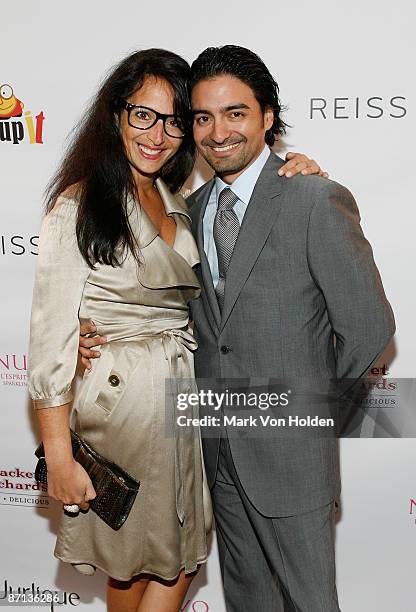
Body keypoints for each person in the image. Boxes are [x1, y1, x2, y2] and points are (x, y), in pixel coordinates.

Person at [81, 45, 395, 611]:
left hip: (291, 461)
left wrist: (309, 421)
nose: (218, 131)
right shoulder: (188, 211)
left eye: (236, 113)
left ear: (268, 117)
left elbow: (369, 327)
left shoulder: (313, 198)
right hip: (214, 457)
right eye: (202, 117)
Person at [29, 48, 323, 612]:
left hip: (186, 406)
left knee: (180, 556)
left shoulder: (178, 200)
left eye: (173, 120)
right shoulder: (79, 205)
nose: (157, 134)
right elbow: (49, 344)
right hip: (122, 415)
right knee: (131, 566)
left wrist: (298, 167)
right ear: (115, 115)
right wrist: (59, 457)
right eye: (143, 114)